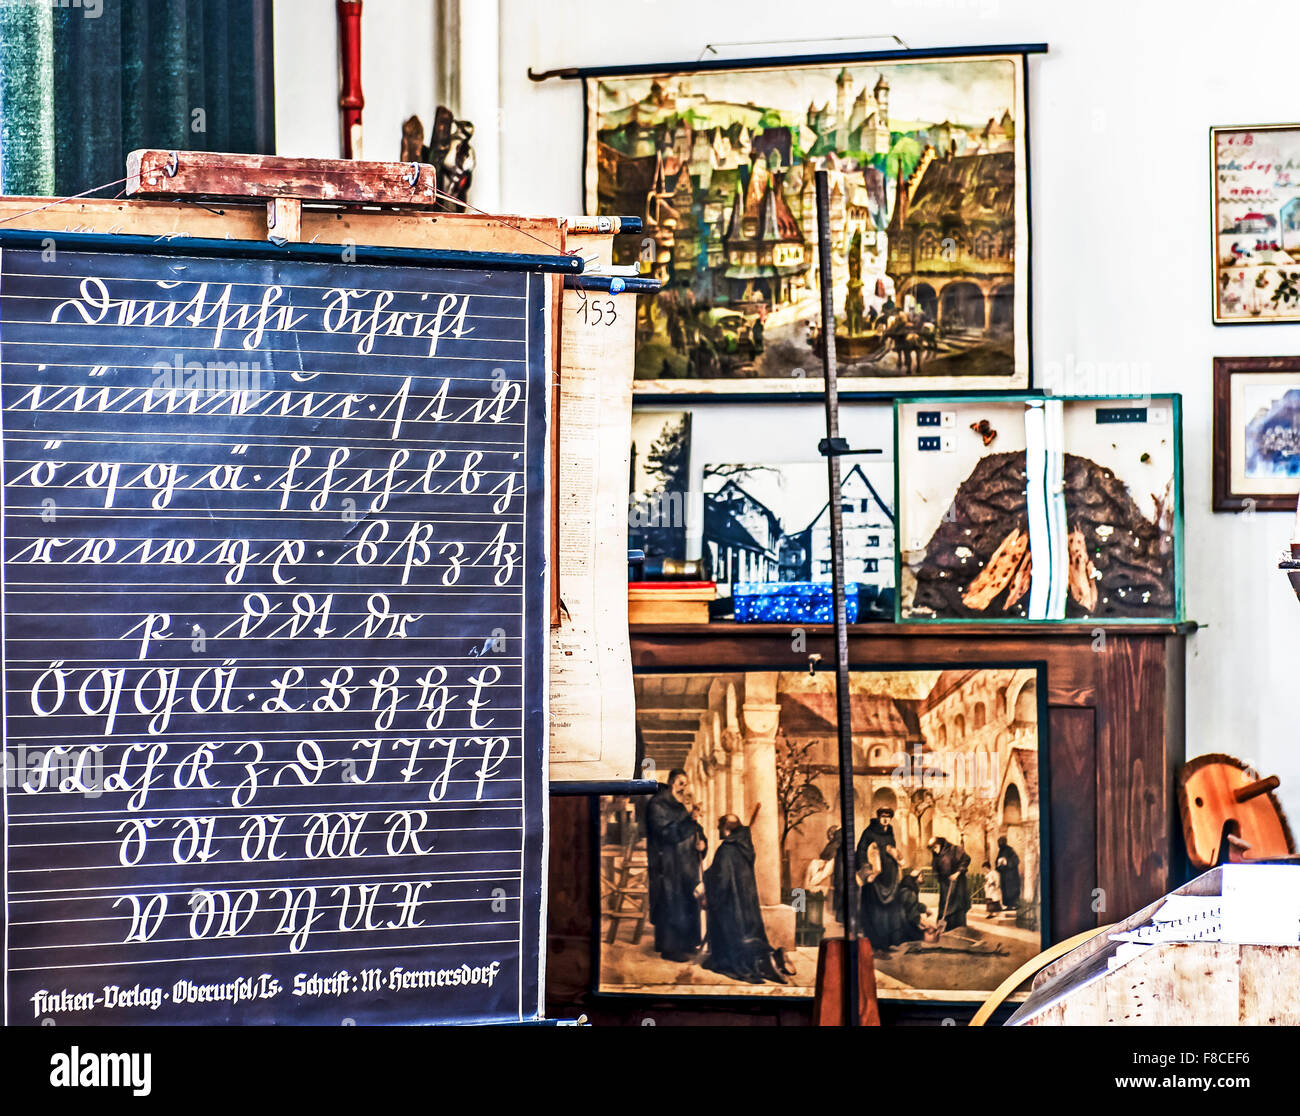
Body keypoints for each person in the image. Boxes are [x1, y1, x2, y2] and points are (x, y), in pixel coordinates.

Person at [702, 814, 787, 984]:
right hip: (747, 903)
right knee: (749, 934)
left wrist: (706, 879)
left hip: (731, 905)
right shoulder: (745, 847)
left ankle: (759, 963)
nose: (718, 830)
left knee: (731, 938)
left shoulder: (726, 850)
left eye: (720, 826)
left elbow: (720, 880)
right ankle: (766, 961)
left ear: (726, 829)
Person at [644, 770, 706, 962]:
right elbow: (667, 834)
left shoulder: (680, 807)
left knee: (688, 902)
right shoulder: (657, 805)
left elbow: (694, 829)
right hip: (668, 866)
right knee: (672, 903)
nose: (683, 788)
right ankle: (671, 948)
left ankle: (687, 944)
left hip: (686, 864)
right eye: (680, 783)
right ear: (671, 783)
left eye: (685, 784)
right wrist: (690, 820)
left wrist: (702, 843)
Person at [856, 807, 905, 951]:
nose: (885, 819)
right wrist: (867, 869)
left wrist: (895, 855)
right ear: (878, 817)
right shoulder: (869, 832)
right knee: (875, 910)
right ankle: (874, 943)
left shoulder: (890, 832)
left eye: (888, 817)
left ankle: (887, 943)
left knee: (889, 911)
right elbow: (861, 851)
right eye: (883, 816)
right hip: (875, 878)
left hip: (889, 877)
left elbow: (892, 849)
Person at [927, 836, 971, 931]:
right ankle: (945, 928)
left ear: (939, 844)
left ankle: (959, 928)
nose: (934, 851)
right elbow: (935, 868)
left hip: (957, 882)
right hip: (945, 884)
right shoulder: (936, 855)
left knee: (956, 905)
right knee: (945, 906)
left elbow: (966, 859)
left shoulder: (954, 849)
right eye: (932, 849)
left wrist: (957, 873)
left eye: (935, 848)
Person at [896, 869, 928, 942]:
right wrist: (923, 923)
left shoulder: (908, 890)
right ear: (916, 879)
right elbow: (912, 913)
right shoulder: (909, 893)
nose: (922, 878)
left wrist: (925, 909)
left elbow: (915, 904)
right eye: (920, 876)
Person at [996, 836, 1022, 912]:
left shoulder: (1010, 850)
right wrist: (998, 864)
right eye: (998, 843)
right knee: (1005, 890)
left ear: (1004, 842)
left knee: (1012, 890)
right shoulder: (1000, 851)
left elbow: (1016, 860)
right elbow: (997, 862)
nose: (999, 844)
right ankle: (1008, 906)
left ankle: (1014, 905)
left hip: (1011, 876)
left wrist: (1006, 862)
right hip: (1004, 876)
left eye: (1000, 842)